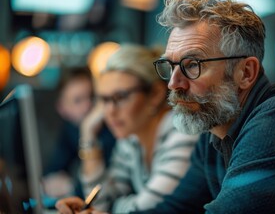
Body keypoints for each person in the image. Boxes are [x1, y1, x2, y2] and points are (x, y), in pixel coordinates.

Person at [129, 0, 275, 213]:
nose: (174, 83)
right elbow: (177, 208)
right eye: (172, 66)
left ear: (245, 73)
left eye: (192, 64)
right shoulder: (215, 127)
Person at [55, 44, 199, 213]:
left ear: (155, 94)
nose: (109, 111)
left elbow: (148, 209)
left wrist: (111, 207)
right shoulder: (131, 140)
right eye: (104, 100)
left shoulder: (182, 131)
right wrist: (88, 134)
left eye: (120, 97)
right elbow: (101, 203)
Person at [43, 67, 115, 199]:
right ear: (62, 109)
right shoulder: (70, 129)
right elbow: (52, 173)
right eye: (78, 100)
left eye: (91, 96)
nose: (87, 105)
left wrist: (73, 186)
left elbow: (107, 189)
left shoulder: (114, 128)